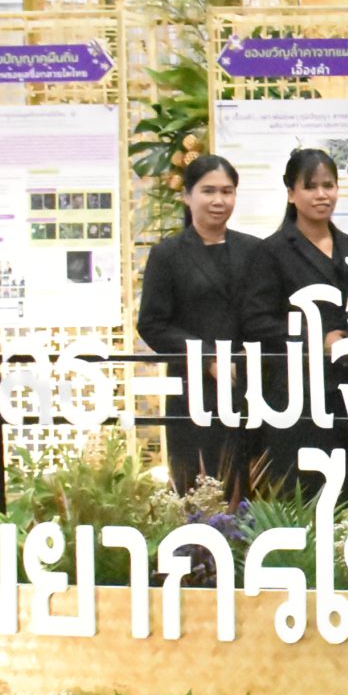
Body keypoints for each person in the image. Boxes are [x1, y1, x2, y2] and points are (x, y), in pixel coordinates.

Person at [136, 153, 286, 501]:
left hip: (251, 388)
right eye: (208, 191)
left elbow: (266, 317)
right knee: (199, 491)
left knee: (254, 490)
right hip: (194, 393)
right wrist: (208, 359)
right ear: (187, 196)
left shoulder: (255, 250)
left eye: (227, 191)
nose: (219, 200)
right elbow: (153, 324)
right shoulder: (168, 254)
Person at [259, 148, 348, 504]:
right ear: (291, 193)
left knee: (344, 495)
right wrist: (316, 340)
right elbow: (257, 321)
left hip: (343, 389)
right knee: (297, 493)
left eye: (329, 185)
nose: (322, 195)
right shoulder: (272, 251)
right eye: (311, 187)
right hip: (293, 390)